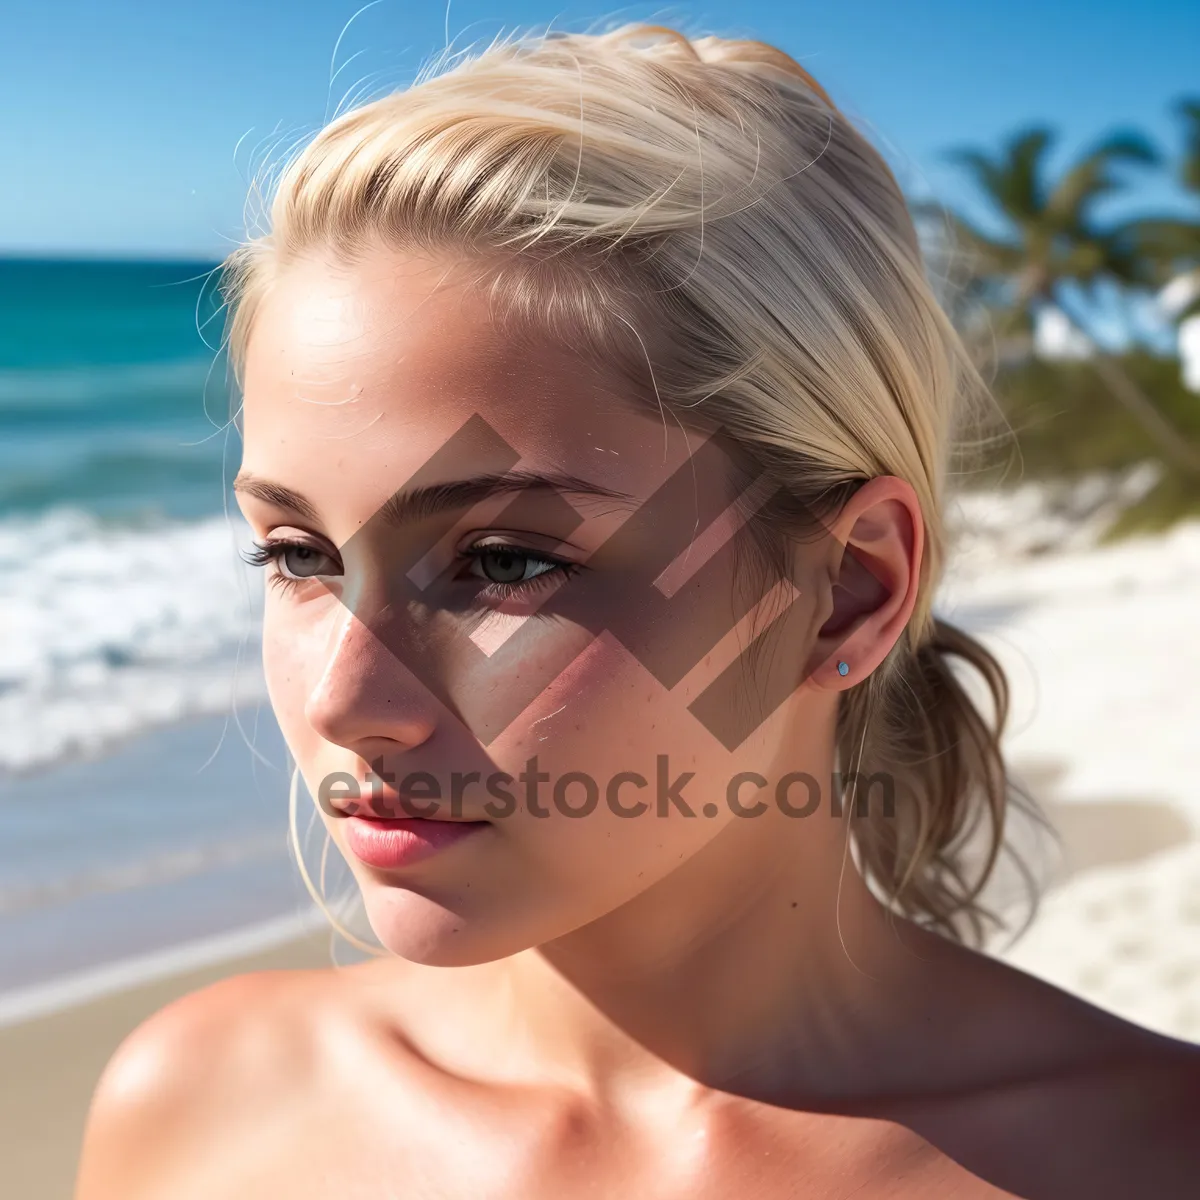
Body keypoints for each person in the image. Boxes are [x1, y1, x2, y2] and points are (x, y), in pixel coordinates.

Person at [74, 22, 1199, 1199]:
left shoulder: (1146, 1160)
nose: (347, 701)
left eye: (503, 562)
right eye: (299, 554)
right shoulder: (202, 1111)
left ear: (848, 591)